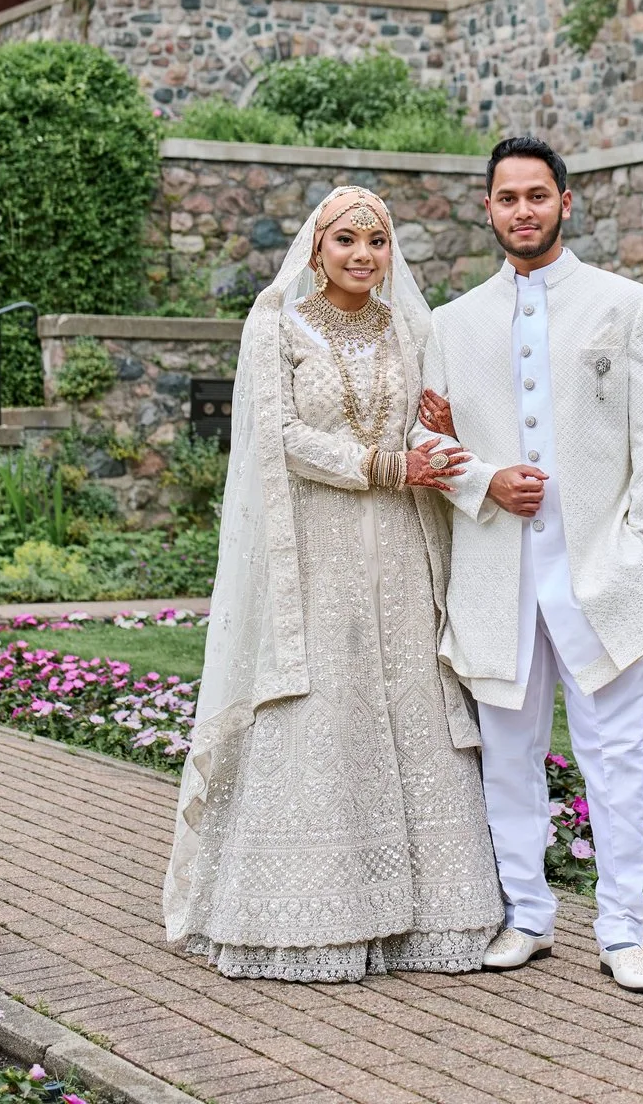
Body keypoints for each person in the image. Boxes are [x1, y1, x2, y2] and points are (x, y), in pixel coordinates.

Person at [160, 185, 504, 981]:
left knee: (409, 702)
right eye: (345, 240)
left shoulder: (411, 325)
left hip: (400, 547)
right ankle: (303, 914)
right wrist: (384, 466)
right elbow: (275, 434)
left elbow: (422, 417)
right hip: (315, 544)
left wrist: (435, 442)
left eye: (376, 242)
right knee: (321, 704)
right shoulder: (276, 323)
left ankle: (428, 918)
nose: (361, 255)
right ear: (316, 248)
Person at [416, 134, 643, 994]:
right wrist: (487, 482)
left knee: (617, 758)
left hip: (599, 577)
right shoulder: (450, 325)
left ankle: (623, 929)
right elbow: (425, 439)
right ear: (486, 209)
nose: (522, 210)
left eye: (537, 195)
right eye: (507, 197)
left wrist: (636, 554)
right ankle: (527, 917)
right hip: (496, 578)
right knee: (508, 756)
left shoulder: (627, 305)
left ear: (566, 202)